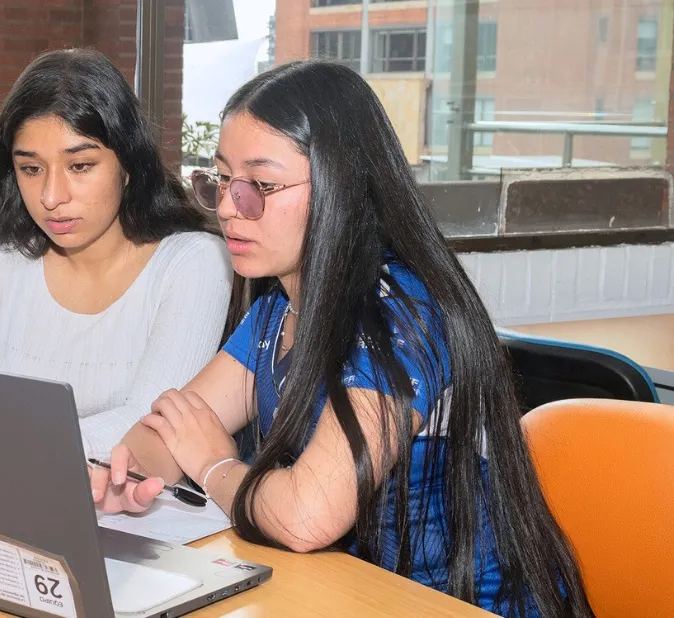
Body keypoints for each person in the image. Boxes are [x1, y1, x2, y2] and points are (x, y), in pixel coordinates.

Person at [90, 60, 592, 617]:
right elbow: (177, 425)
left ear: (342, 186)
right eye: (223, 179)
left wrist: (214, 467)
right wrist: (126, 475)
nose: (231, 206)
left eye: (260, 184)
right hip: (345, 594)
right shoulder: (278, 311)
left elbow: (305, 516)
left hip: (457, 603)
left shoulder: (401, 313)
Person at [0, 48, 234, 458]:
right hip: (8, 492)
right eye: (31, 170)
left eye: (80, 166)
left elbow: (151, 423)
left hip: (129, 512)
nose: (52, 197)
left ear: (127, 164)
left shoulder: (192, 262)